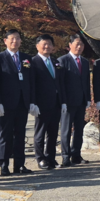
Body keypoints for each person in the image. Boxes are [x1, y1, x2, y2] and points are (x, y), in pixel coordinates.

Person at [0, 29, 36, 175]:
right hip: (5, 103)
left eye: (17, 38)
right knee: (4, 134)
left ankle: (19, 165)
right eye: (11, 39)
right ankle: (3, 164)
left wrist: (32, 101)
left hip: (22, 102)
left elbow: (30, 81)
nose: (14, 41)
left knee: (20, 134)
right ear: (5, 41)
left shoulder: (26, 58)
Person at [57, 35, 92, 167]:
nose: (79, 47)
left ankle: (76, 154)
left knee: (79, 129)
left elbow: (86, 82)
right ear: (70, 45)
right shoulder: (62, 61)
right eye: (77, 44)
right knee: (66, 130)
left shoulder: (84, 61)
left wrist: (88, 98)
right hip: (68, 101)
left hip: (81, 100)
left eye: (81, 45)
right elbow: (60, 83)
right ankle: (65, 156)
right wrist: (63, 101)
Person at [32, 34, 62, 169]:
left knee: (53, 132)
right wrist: (33, 103)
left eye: (49, 44)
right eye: (44, 44)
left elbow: (61, 82)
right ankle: (40, 158)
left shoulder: (56, 62)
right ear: (37, 46)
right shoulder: (33, 62)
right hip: (41, 103)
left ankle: (50, 157)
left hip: (56, 102)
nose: (47, 46)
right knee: (40, 132)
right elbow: (30, 84)